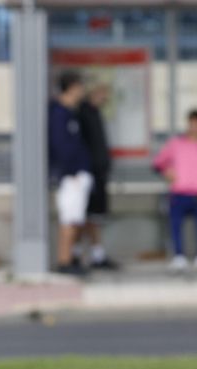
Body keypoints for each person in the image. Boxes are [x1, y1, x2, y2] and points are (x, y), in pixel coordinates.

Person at [152, 109, 197, 275]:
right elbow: (158, 163)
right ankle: (178, 257)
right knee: (175, 224)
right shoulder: (176, 145)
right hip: (180, 192)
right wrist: (166, 171)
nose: (194, 127)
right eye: (192, 123)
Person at [48, 70, 94, 276]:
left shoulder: (70, 112)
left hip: (77, 173)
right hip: (70, 176)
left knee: (76, 219)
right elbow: (59, 146)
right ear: (72, 88)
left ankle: (71, 259)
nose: (82, 91)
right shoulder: (58, 113)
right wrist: (71, 171)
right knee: (69, 219)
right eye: (80, 87)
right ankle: (64, 261)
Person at [76, 81, 120, 271]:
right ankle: (78, 254)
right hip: (89, 174)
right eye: (103, 92)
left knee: (94, 217)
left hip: (98, 173)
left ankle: (95, 254)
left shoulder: (94, 113)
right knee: (84, 217)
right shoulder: (82, 114)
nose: (105, 97)